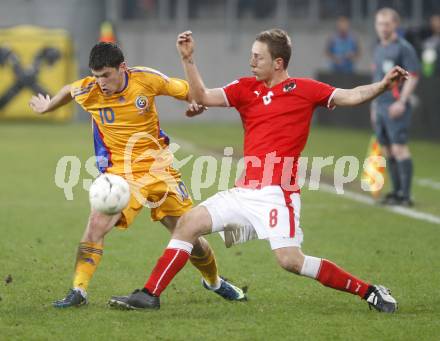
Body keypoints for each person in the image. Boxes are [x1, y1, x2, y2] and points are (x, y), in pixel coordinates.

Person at [108, 29, 407, 313]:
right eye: (251, 55)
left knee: (290, 261)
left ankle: (369, 291)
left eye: (258, 57)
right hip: (245, 191)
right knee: (188, 223)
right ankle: (149, 295)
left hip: (278, 195)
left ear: (278, 63)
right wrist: (188, 60)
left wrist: (382, 85)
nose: (251, 62)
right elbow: (202, 96)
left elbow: (351, 95)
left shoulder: (305, 90)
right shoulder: (244, 89)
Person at [29, 42, 246, 308]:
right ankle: (78, 291)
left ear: (122, 68)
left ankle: (213, 282)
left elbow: (188, 90)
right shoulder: (89, 90)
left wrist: (196, 104)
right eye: (96, 76)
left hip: (160, 169)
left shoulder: (146, 79)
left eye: (106, 75)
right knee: (96, 225)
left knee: (191, 236)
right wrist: (48, 106)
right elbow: (68, 90)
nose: (100, 83)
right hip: (120, 174)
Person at [371, 8, 420, 207]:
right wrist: (373, 106)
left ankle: (406, 195)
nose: (383, 28)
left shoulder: (403, 48)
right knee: (387, 149)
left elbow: (413, 76)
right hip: (380, 106)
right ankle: (396, 192)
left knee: (399, 148)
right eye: (379, 24)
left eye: (386, 24)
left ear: (395, 25)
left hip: (395, 106)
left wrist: (402, 101)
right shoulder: (378, 49)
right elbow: (376, 80)